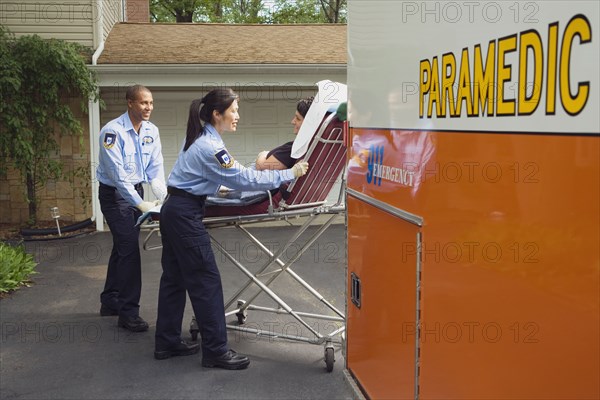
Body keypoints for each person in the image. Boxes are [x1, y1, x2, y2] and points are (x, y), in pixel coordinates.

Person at [154, 88, 309, 370]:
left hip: (175, 210)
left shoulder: (201, 137)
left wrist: (217, 187)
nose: (238, 116)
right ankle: (215, 351)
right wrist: (289, 173)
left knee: (174, 279)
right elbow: (243, 178)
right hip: (184, 214)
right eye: (234, 111)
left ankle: (166, 341)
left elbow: (216, 176)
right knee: (206, 282)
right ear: (217, 114)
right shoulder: (211, 146)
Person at [96, 84, 167, 333]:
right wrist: (139, 203)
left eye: (151, 103)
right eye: (143, 103)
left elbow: (155, 170)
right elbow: (117, 177)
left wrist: (165, 198)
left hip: (135, 192)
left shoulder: (151, 131)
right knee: (129, 251)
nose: (148, 107)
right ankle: (128, 313)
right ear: (130, 103)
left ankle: (110, 301)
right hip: (114, 196)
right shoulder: (112, 132)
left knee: (122, 247)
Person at [254, 96, 314, 171]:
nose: (292, 122)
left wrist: (262, 154)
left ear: (309, 124)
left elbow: (262, 167)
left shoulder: (295, 149)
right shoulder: (311, 147)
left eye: (298, 119)